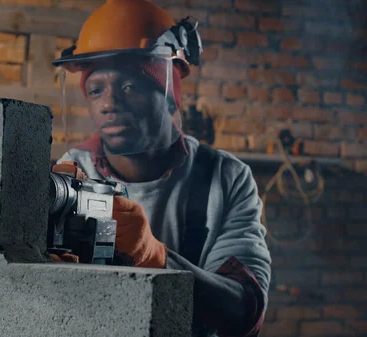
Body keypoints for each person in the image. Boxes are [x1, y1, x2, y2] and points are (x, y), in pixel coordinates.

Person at [49, 1, 272, 336]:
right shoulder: (70, 174)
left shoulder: (224, 178)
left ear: (169, 95)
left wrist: (156, 257)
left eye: (129, 86)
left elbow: (243, 311)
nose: (109, 104)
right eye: (96, 90)